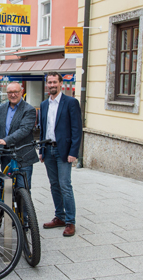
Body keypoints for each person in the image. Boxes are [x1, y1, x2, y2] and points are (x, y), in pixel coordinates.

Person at [39, 72, 82, 237]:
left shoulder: (70, 102)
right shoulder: (44, 105)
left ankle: (71, 221)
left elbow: (77, 130)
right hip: (48, 150)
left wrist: (73, 152)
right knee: (54, 185)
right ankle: (60, 217)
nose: (52, 85)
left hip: (63, 151)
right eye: (49, 82)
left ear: (61, 83)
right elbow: (43, 129)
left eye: (54, 82)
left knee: (65, 185)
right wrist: (42, 151)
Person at [0, 82, 38, 192]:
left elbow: (24, 130)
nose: (13, 95)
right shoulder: (1, 108)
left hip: (23, 156)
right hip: (5, 156)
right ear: (7, 94)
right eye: (10, 92)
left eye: (16, 92)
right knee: (6, 190)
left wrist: (5, 141)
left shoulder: (29, 110)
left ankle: (24, 210)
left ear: (21, 92)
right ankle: (6, 209)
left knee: (23, 190)